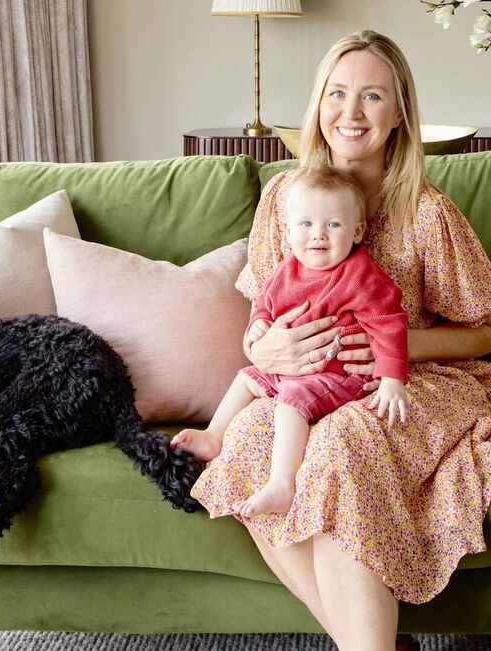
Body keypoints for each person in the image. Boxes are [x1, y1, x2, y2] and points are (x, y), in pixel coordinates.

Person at [190, 29, 491, 651]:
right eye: (337, 93)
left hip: (419, 378)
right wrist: (267, 346)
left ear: (399, 111)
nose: (351, 111)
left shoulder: (427, 213)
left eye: (372, 96)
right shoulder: (283, 197)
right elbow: (260, 318)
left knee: (342, 443)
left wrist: (389, 349)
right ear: (318, 104)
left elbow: (485, 332)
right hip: (306, 382)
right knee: (253, 438)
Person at [172, 166, 411, 517]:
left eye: (333, 224)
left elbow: (389, 324)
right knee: (247, 378)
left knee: (290, 402)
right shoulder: (288, 269)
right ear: (287, 231)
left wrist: (391, 379)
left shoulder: (361, 275)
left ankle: (282, 485)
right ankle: (214, 435)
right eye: (307, 224)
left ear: (358, 231)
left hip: (339, 373)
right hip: (291, 369)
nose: (319, 235)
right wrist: (258, 326)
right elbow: (265, 306)